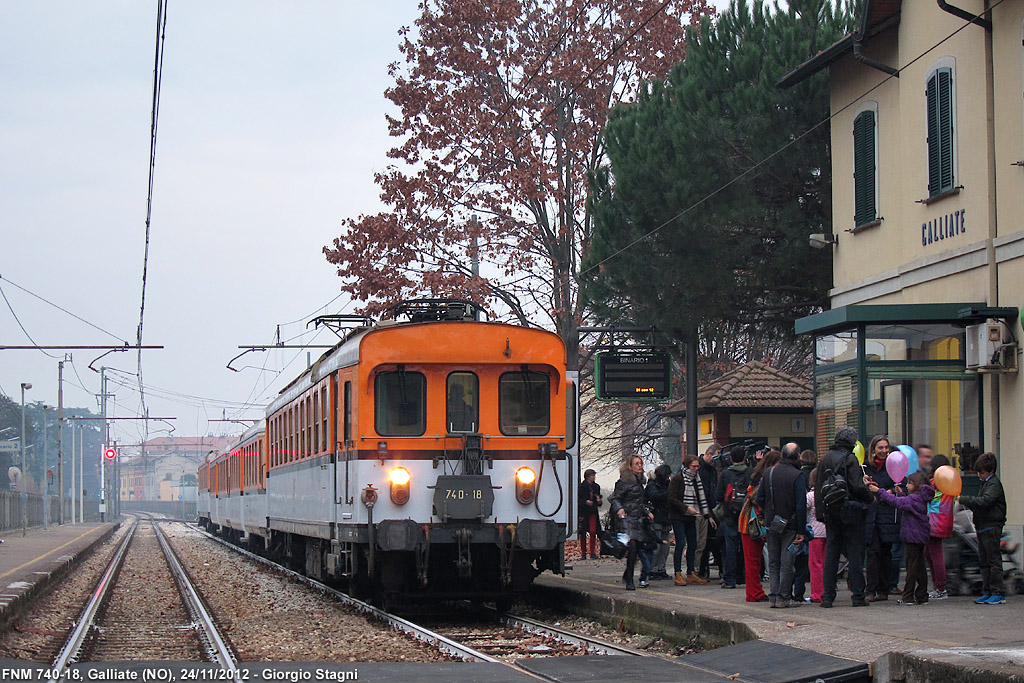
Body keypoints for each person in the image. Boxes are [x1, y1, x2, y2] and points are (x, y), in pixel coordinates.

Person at [815, 426, 874, 608]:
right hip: (850, 511)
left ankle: (827, 596)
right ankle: (857, 595)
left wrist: (821, 514)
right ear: (852, 442)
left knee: (832, 554)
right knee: (855, 554)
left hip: (831, 512)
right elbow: (856, 486)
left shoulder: (825, 458)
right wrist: (870, 497)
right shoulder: (850, 458)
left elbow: (818, 487)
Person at [869, 471, 934, 605]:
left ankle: (908, 596)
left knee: (912, 567)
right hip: (920, 536)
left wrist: (879, 491)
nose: (907, 485)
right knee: (920, 567)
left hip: (912, 537)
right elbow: (905, 502)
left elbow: (896, 502)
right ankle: (922, 595)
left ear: (917, 485)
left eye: (910, 483)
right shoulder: (919, 498)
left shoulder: (913, 499)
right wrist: (901, 494)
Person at [756, 443, 807, 608]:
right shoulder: (797, 475)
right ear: (797, 456)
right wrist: (801, 530)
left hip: (772, 523)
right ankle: (783, 597)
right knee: (787, 561)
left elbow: (759, 499)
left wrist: (769, 512)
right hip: (790, 524)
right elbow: (801, 504)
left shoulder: (769, 473)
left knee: (773, 560)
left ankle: (773, 596)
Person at [959, 452, 1008, 604]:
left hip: (991, 526)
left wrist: (965, 499)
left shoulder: (994, 484)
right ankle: (987, 591)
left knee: (993, 561)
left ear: (990, 471)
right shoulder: (986, 483)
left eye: (981, 472)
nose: (979, 475)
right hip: (983, 526)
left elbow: (985, 502)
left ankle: (997, 592)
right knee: (984, 561)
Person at [737, 450, 781, 601]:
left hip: (749, 521)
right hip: (752, 522)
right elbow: (758, 499)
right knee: (753, 560)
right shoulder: (762, 479)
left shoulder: (757, 476)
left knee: (753, 560)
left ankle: (754, 591)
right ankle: (753, 593)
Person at [864, 435, 900, 602]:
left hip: (887, 514)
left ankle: (883, 589)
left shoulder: (894, 465)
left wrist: (891, 492)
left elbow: (901, 485)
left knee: (886, 552)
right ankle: (871, 589)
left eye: (886, 448)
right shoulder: (866, 468)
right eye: (880, 448)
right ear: (873, 450)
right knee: (873, 552)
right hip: (872, 513)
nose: (884, 451)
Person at [610, 454, 653, 590]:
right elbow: (615, 498)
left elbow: (640, 502)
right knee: (632, 547)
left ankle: (628, 573)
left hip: (638, 518)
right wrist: (619, 509)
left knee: (639, 549)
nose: (640, 466)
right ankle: (630, 579)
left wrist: (647, 512)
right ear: (631, 466)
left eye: (641, 463)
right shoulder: (624, 481)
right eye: (637, 464)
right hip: (627, 518)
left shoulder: (640, 482)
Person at [668, 455, 709, 585]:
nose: (696, 469)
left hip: (691, 516)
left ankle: (691, 572)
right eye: (693, 466)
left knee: (693, 544)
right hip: (679, 515)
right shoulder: (678, 478)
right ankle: (677, 573)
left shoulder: (696, 479)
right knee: (680, 543)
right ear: (687, 466)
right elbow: (672, 498)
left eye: (698, 466)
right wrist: (686, 508)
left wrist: (705, 513)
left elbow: (700, 497)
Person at [714, 445, 750, 591]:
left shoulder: (725, 474)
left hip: (730, 514)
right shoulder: (751, 473)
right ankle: (746, 576)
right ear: (744, 458)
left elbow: (717, 496)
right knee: (747, 546)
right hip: (747, 515)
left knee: (731, 547)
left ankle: (730, 578)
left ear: (730, 458)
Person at [925, 454, 954, 599]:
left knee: (935, 555)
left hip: (934, 520)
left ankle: (940, 587)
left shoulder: (936, 482)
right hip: (943, 520)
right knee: (931, 553)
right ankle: (938, 586)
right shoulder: (949, 481)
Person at [791, 449, 817, 603]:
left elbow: (801, 507)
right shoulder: (820, 491)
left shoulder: (798, 477)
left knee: (792, 562)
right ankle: (800, 594)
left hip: (803, 526)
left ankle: (789, 592)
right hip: (815, 530)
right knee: (806, 564)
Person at [695, 444, 722, 580]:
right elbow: (702, 493)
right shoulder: (700, 469)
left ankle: (703, 568)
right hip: (702, 510)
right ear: (708, 454)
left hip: (710, 508)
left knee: (712, 540)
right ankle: (701, 568)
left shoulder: (711, 470)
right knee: (702, 542)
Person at [644, 464, 673, 580]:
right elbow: (653, 496)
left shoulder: (666, 485)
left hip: (665, 517)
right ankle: (652, 569)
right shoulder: (652, 485)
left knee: (665, 548)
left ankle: (660, 568)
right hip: (656, 517)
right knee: (656, 546)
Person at [806, 468, 827, 603]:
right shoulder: (828, 493)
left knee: (815, 564)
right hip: (828, 531)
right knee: (826, 563)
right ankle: (827, 590)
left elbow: (803, 509)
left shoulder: (811, 496)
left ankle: (817, 593)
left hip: (815, 533)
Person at [577, 469, 603, 560]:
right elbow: (578, 500)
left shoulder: (596, 487)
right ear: (588, 476)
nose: (594, 477)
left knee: (593, 531)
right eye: (592, 475)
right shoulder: (582, 487)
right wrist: (585, 502)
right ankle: (583, 552)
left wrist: (598, 501)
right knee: (583, 532)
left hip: (592, 511)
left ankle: (592, 552)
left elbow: (598, 499)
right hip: (584, 512)